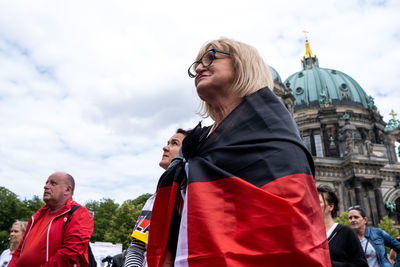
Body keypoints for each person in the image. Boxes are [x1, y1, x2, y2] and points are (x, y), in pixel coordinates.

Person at [146, 38, 330, 266]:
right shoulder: (196, 143)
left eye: (211, 57)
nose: (200, 67)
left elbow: (293, 235)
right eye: (196, 64)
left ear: (243, 65)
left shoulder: (273, 136)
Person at [124, 129, 189, 267]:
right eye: (167, 143)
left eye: (174, 143)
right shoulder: (153, 199)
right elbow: (137, 247)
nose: (165, 147)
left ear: (187, 152)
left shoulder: (194, 195)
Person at [9, 172, 94, 267]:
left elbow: (70, 254)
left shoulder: (79, 214)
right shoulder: (36, 216)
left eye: (53, 183)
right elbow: (19, 252)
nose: (45, 186)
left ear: (67, 189)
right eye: (46, 183)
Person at [317, 185, 367, 266]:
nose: (313, 205)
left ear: (331, 206)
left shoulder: (346, 233)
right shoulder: (309, 235)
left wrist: (329, 264)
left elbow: (362, 265)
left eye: (318, 202)